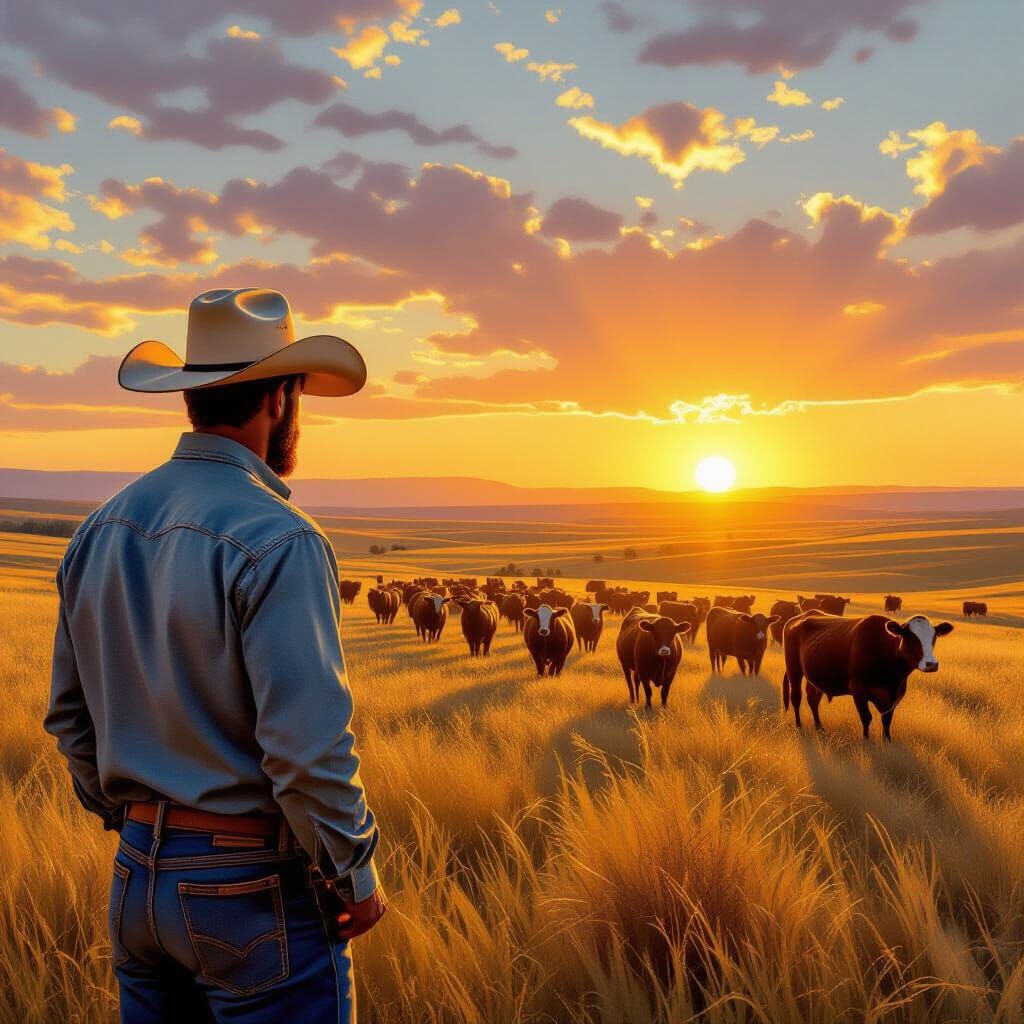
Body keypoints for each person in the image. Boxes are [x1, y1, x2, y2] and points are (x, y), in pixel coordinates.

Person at [44, 287, 384, 1023]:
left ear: (192, 396)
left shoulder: (99, 529)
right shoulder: (282, 537)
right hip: (250, 888)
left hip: (136, 883)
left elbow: (70, 719)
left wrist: (138, 824)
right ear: (282, 399)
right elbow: (306, 750)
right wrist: (353, 871)